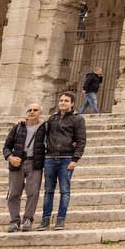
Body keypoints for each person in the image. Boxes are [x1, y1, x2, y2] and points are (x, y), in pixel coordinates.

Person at [38, 92, 86, 231]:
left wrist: (75, 159)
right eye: (61, 100)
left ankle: (60, 220)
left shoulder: (78, 119)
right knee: (48, 191)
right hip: (50, 158)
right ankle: (45, 220)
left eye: (66, 101)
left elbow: (81, 140)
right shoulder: (52, 118)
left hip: (67, 158)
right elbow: (44, 134)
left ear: (72, 103)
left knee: (65, 190)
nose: (62, 103)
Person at [1, 104, 47, 232]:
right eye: (29, 110)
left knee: (33, 193)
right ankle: (14, 221)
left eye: (35, 110)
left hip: (35, 163)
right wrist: (10, 158)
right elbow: (6, 147)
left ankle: (28, 219)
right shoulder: (18, 127)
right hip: (17, 163)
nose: (32, 112)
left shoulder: (45, 127)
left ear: (40, 113)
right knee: (13, 193)